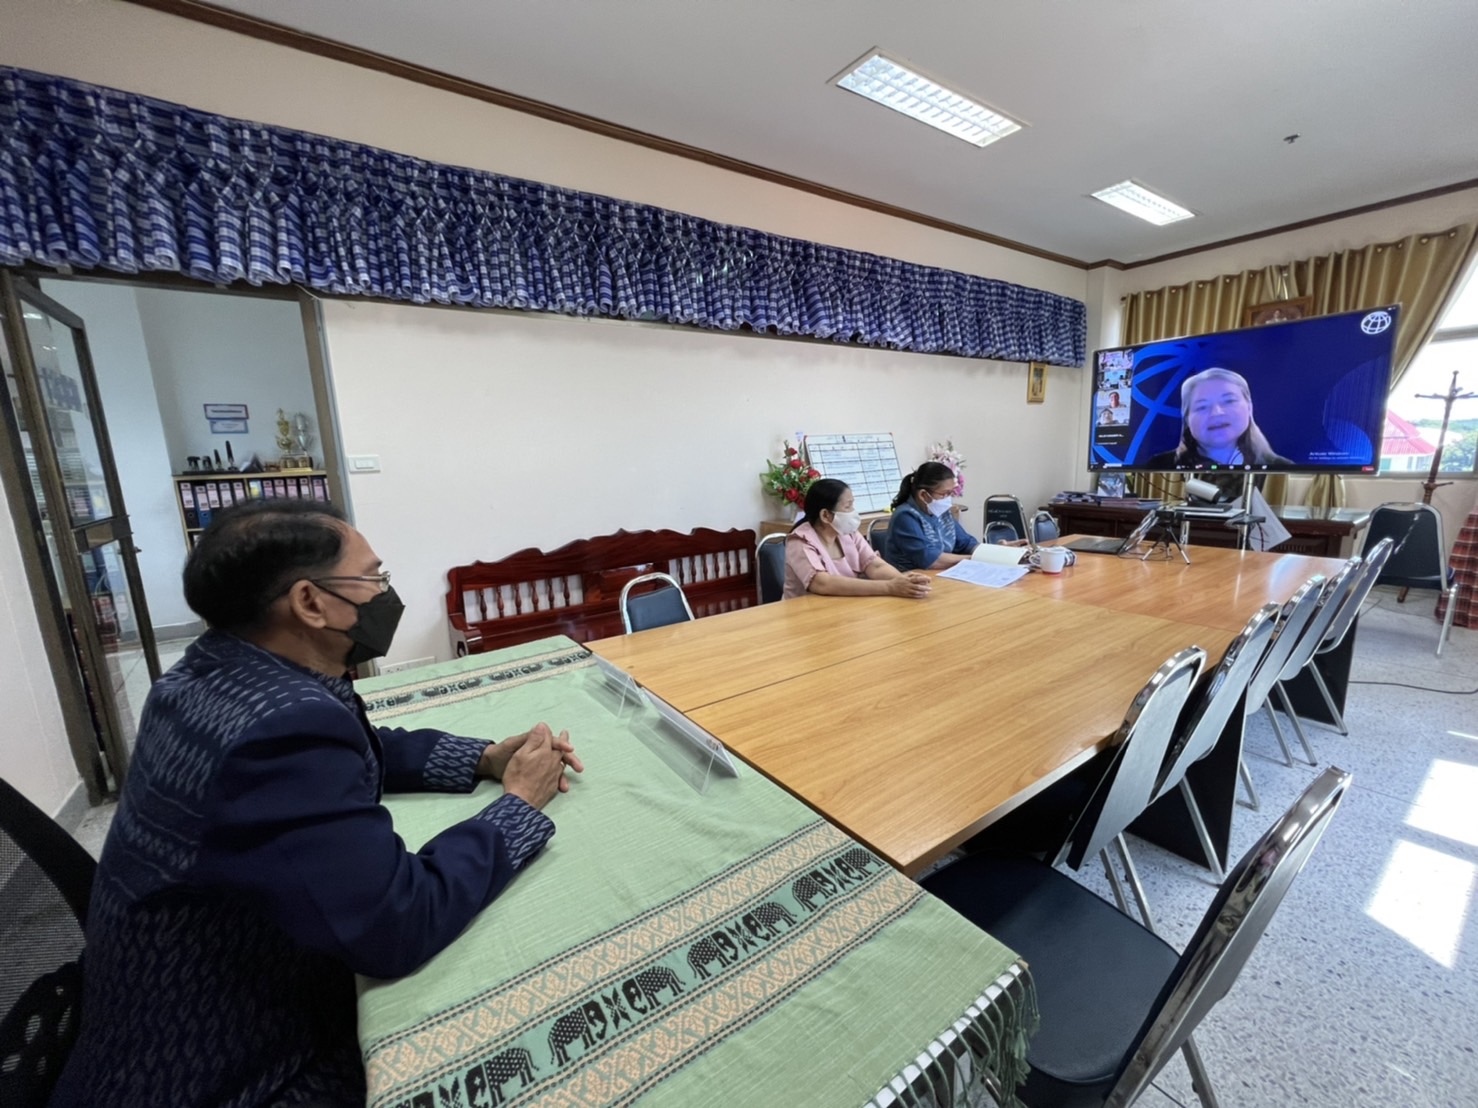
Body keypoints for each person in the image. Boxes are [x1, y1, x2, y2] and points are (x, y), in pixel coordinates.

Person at [52, 499, 584, 1108]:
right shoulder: (279, 732)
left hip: (155, 1005)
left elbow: (351, 747)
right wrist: (518, 803)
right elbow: (397, 922)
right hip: (226, 1061)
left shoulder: (206, 672)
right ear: (309, 602)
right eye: (374, 578)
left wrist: (481, 757)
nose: (386, 593)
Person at [784, 478, 931, 599]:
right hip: (806, 615)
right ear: (825, 515)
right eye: (848, 506)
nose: (854, 512)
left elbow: (875, 565)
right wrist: (890, 587)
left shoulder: (848, 533)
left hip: (844, 606)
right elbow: (823, 583)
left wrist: (903, 582)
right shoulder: (800, 541)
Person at [1148, 367, 1293, 469]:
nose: (1216, 413)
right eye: (1202, 407)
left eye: (1229, 401)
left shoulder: (1281, 466)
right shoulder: (1159, 464)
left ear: (1249, 407)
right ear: (1187, 418)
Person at [883, 461, 979, 572]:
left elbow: (966, 543)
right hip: (910, 580)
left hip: (942, 575)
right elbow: (930, 560)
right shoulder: (905, 516)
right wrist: (973, 559)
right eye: (944, 493)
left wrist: (993, 552)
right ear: (923, 495)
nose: (948, 498)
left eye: (951, 493)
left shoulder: (942, 512)